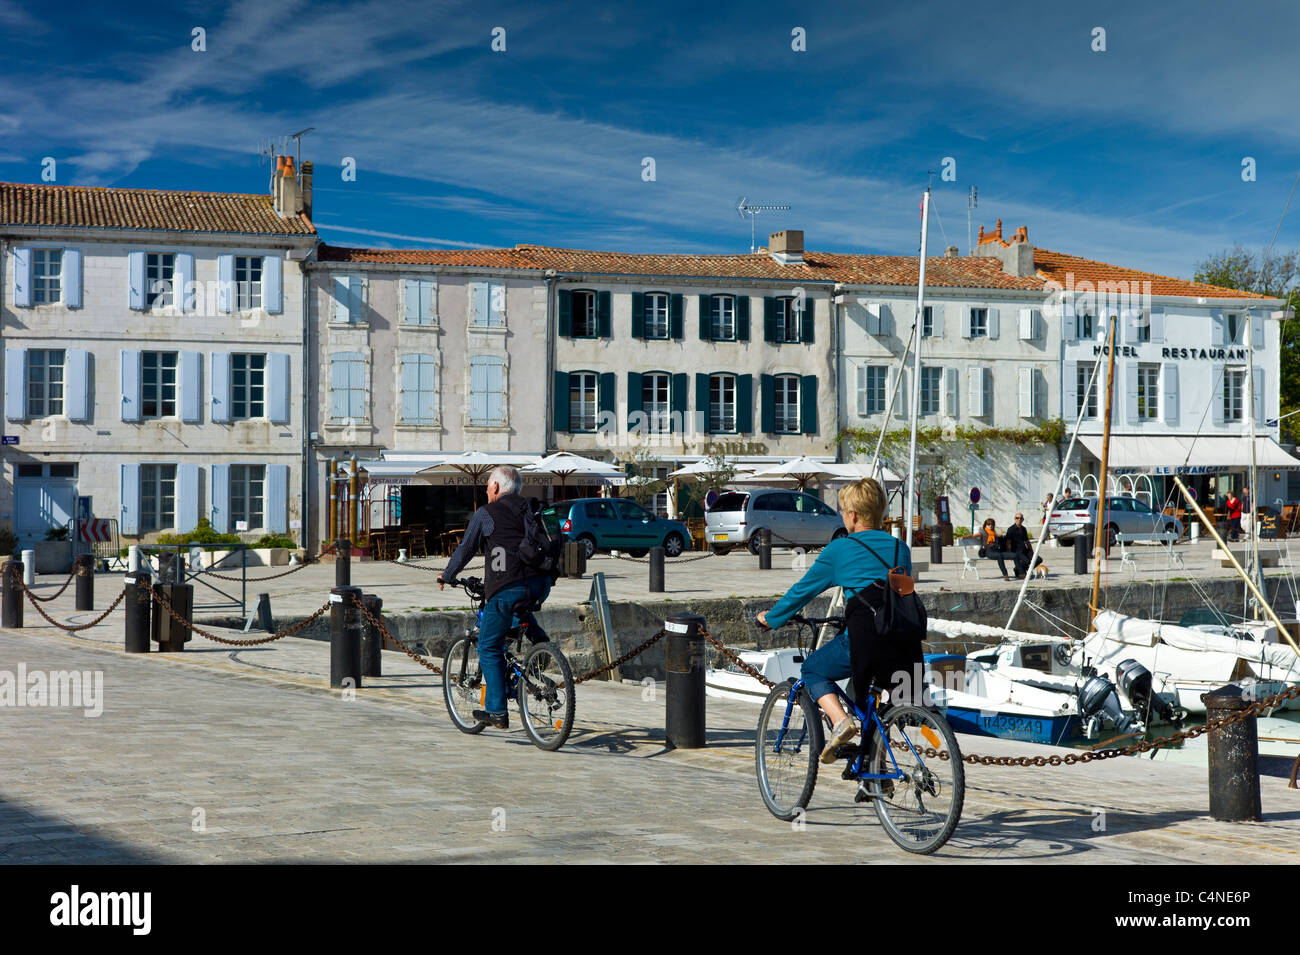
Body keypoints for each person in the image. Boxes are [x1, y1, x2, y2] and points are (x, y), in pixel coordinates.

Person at [756, 478, 911, 763]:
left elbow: (802, 592)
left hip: (864, 641)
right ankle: (876, 774)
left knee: (813, 669)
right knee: (873, 706)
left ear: (852, 515)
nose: (841, 515)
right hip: (903, 642)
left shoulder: (840, 550)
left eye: (842, 510)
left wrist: (772, 618)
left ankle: (840, 721)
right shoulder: (901, 548)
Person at [437, 465, 552, 729]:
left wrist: (447, 574)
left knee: (488, 645)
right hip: (539, 584)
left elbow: (466, 548)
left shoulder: (486, 514)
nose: (487, 489)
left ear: (496, 487)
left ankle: (497, 710)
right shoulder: (532, 509)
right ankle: (541, 648)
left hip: (506, 587)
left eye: (488, 484)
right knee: (518, 611)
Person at [1003, 513, 1032, 579]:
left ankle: (1018, 568)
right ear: (1014, 519)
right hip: (1016, 550)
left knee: (1038, 559)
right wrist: (1009, 553)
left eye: (1020, 518)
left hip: (1024, 549)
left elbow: (1027, 541)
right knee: (1027, 561)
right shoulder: (1011, 529)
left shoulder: (1023, 529)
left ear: (1023, 520)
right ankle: (1019, 571)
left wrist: (1031, 551)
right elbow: (1008, 542)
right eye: (1017, 518)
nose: (1019, 519)